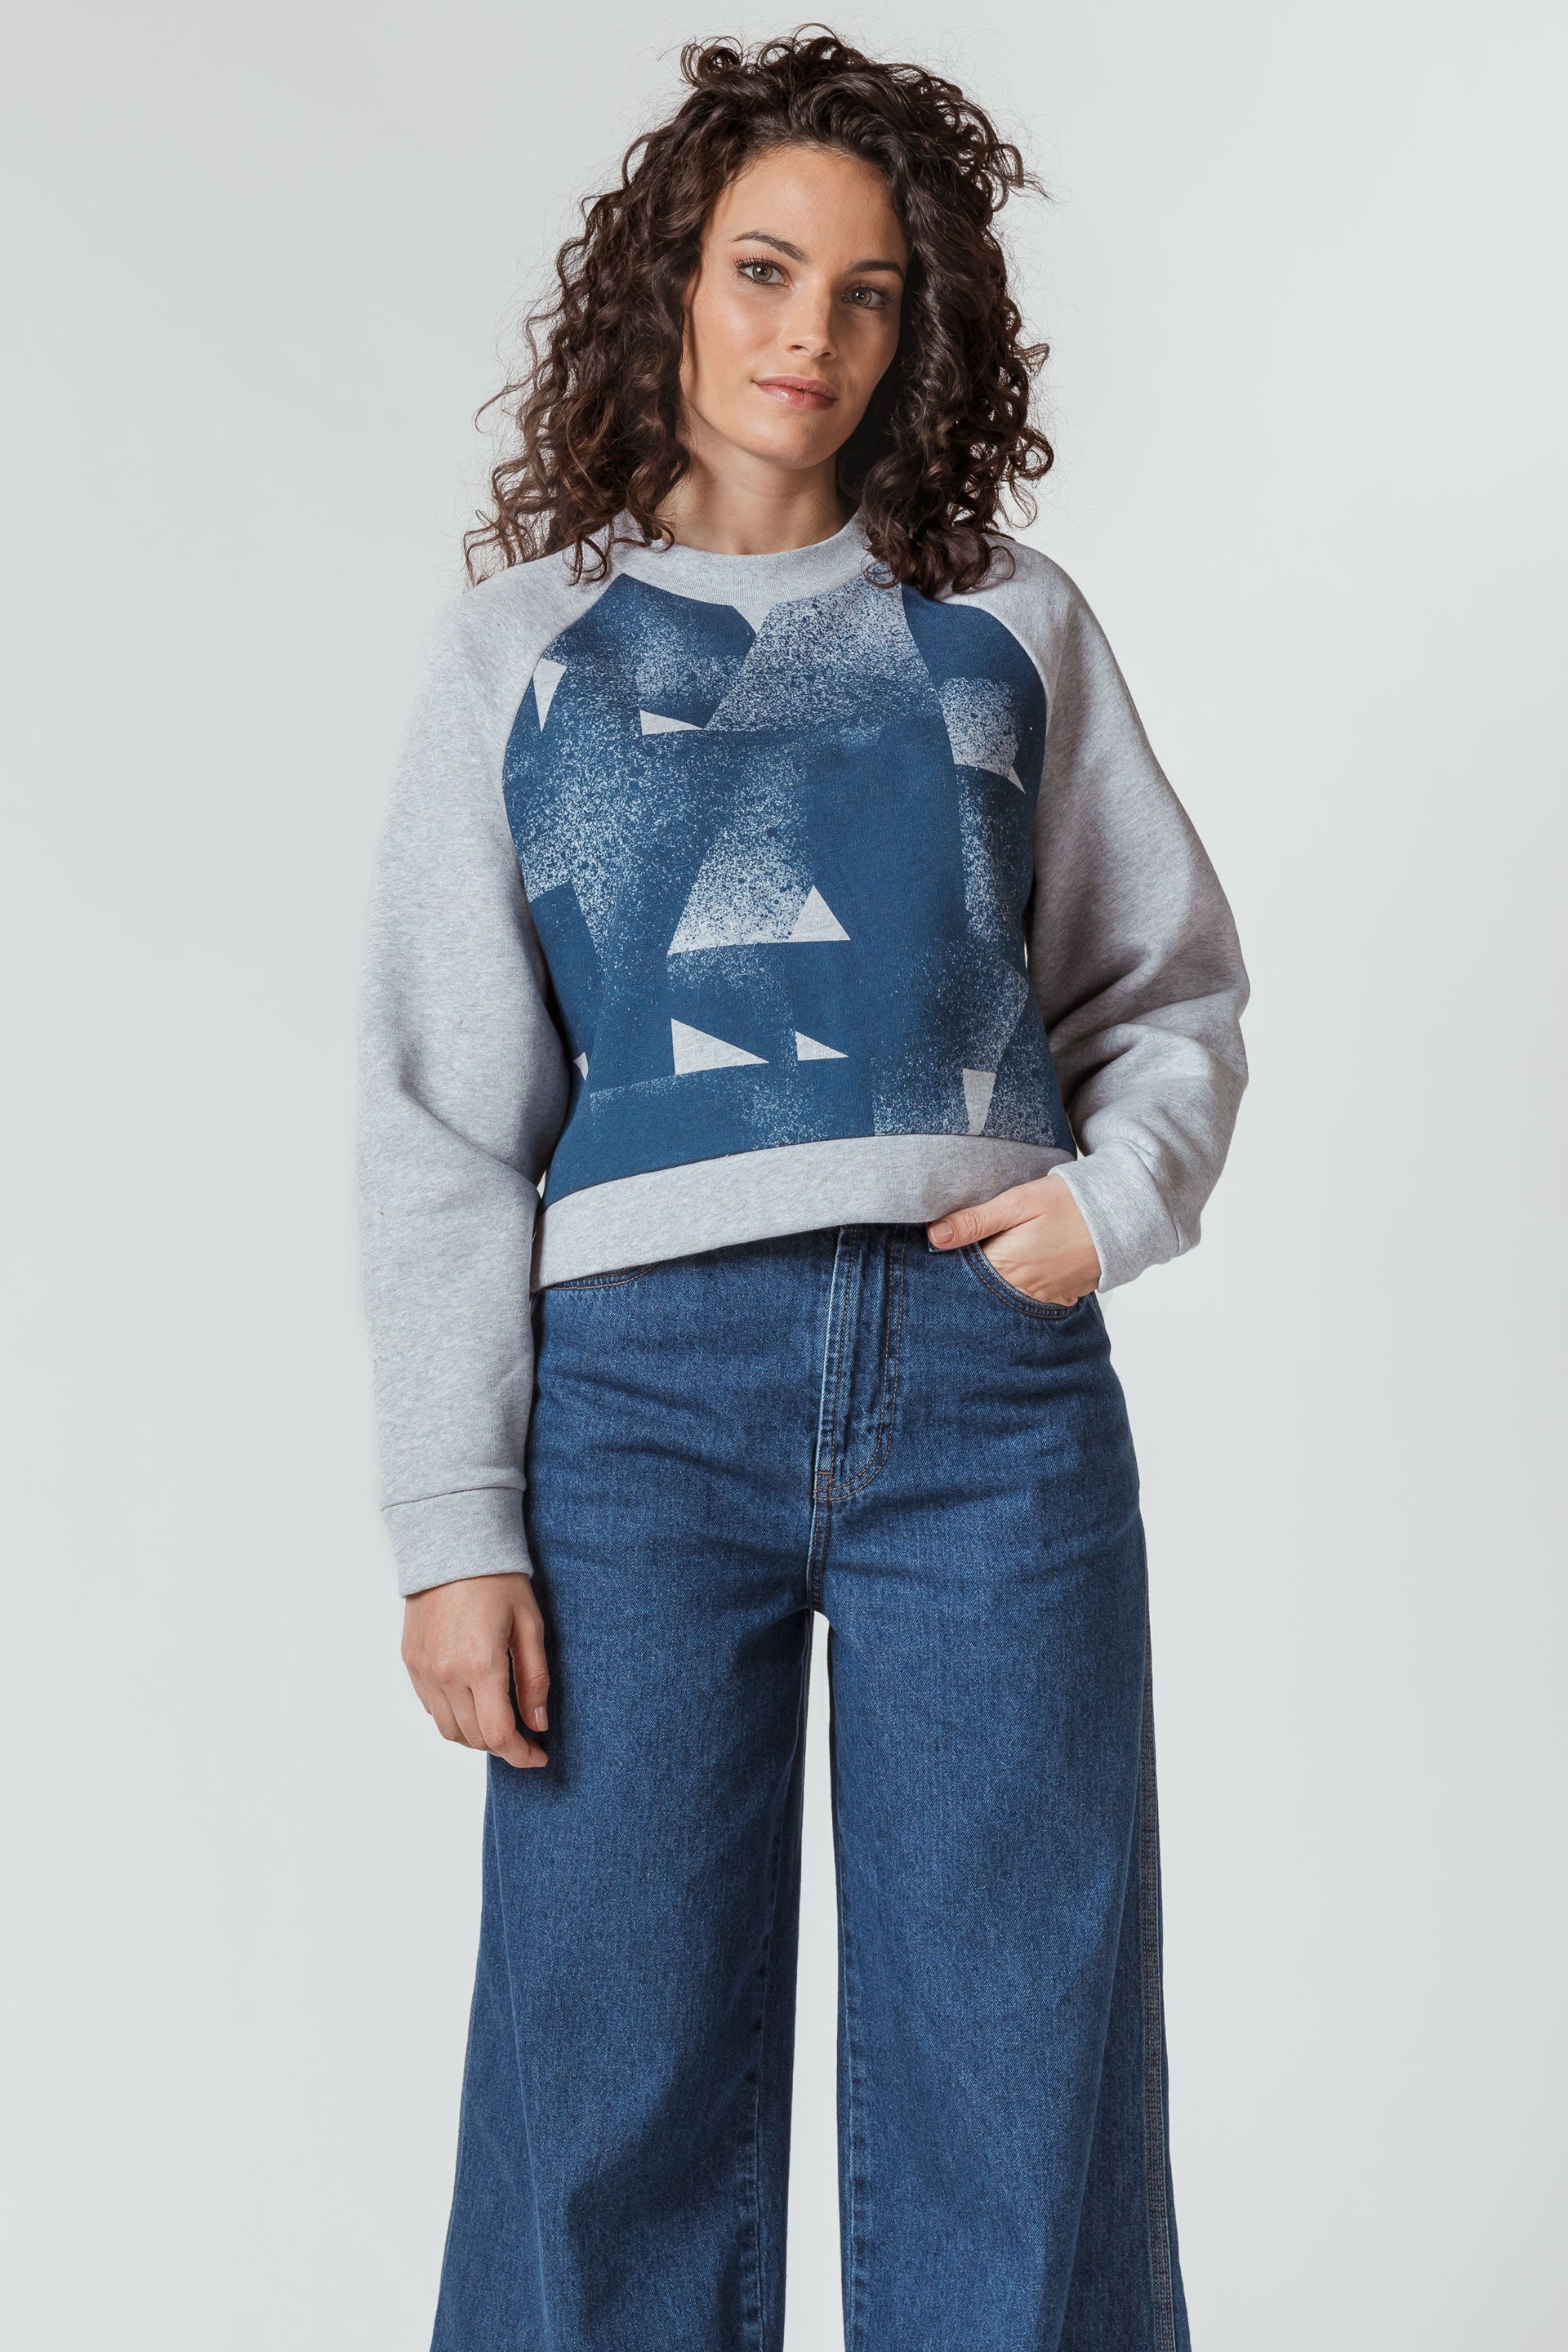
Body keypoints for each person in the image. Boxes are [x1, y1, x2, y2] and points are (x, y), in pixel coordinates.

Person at [357, 30, 1248, 2352]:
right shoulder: (525, 656)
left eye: (868, 292)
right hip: (634, 1416)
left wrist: (1112, 1204)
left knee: (1019, 2065)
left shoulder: (1006, 626)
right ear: (672, 281)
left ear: (917, 328)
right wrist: (455, 1524)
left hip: (987, 1395)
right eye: (764, 270)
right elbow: (442, 1112)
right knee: (604, 2074)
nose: (809, 336)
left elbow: (1163, 985)